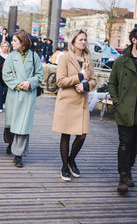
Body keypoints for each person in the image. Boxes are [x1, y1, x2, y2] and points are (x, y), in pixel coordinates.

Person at [108, 27, 137, 194]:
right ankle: (123, 176)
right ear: (134, 40)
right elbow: (112, 83)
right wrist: (117, 102)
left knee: (135, 144)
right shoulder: (121, 61)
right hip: (125, 110)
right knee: (125, 143)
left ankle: (129, 169)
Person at [52, 29, 96, 181]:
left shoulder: (88, 59)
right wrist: (79, 77)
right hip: (67, 101)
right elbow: (60, 81)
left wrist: (86, 86)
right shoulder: (65, 58)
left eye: (85, 39)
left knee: (82, 135)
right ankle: (65, 166)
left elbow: (94, 80)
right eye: (80, 40)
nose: (83, 42)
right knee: (66, 134)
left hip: (82, 102)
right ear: (73, 42)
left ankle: (71, 159)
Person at [2, 31, 43, 168]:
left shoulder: (34, 56)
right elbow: (6, 75)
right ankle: (11, 143)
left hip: (28, 95)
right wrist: (19, 84)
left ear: (23, 42)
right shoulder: (10, 57)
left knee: (23, 125)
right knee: (11, 123)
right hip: (14, 94)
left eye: (15, 40)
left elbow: (39, 75)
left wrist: (30, 82)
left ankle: (18, 155)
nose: (12, 43)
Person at [0, 41, 10, 112]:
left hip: (8, 76)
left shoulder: (10, 56)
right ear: (1, 47)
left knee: (6, 91)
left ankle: (3, 102)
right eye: (4, 46)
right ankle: (0, 106)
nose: (5, 48)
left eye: (6, 46)